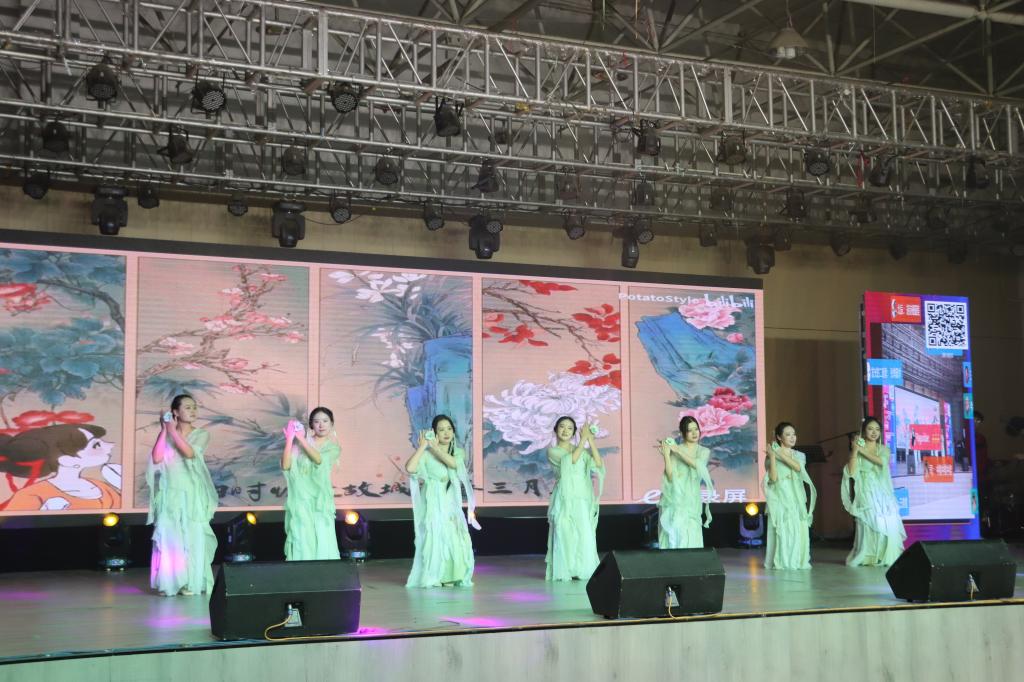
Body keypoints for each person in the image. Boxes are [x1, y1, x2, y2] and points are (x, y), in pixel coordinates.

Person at [147, 394, 218, 596]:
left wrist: (172, 431)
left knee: (192, 537)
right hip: (170, 493)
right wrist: (164, 430)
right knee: (170, 537)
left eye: (194, 407)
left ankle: (190, 582)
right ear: (175, 412)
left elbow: (189, 453)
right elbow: (157, 458)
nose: (193, 411)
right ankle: (171, 581)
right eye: (187, 407)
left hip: (191, 494)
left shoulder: (201, 434)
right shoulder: (167, 433)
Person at [405, 414, 480, 587]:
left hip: (450, 502)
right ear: (434, 433)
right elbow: (410, 468)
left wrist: (434, 447)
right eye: (441, 430)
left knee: (454, 536)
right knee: (436, 536)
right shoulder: (427, 454)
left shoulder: (458, 452)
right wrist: (422, 447)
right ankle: (437, 576)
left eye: (449, 429)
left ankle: (452, 575)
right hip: (433, 503)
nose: (446, 433)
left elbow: (454, 464)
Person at [0, 424, 121, 511]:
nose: (110, 445)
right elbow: (12, 528)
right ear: (67, 460)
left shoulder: (101, 487)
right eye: (96, 445)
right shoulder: (32, 495)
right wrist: (45, 512)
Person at [545, 417, 605, 581]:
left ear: (573, 433)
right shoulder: (553, 451)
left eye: (570, 428)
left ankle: (582, 569)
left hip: (581, 496)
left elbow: (598, 464)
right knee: (564, 531)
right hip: (564, 496)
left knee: (583, 532)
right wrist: (583, 440)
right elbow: (570, 461)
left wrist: (590, 440)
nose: (565, 430)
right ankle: (566, 570)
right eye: (562, 427)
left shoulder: (580, 449)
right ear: (556, 429)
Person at [841, 416, 906, 567]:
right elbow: (851, 471)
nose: (874, 432)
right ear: (863, 431)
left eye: (877, 429)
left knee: (887, 522)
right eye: (870, 429)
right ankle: (868, 556)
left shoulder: (883, 449)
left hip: (881, 491)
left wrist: (861, 450)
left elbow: (881, 462)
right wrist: (855, 451)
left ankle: (883, 555)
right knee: (869, 521)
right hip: (865, 490)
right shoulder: (858, 448)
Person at [282, 407, 341, 561]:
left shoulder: (333, 448)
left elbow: (318, 459)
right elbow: (286, 466)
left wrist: (301, 439)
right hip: (301, 499)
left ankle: (324, 573)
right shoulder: (299, 445)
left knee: (323, 535)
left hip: (320, 500)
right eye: (316, 421)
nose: (321, 425)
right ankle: (301, 572)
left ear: (331, 423)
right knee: (302, 536)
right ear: (311, 425)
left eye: (325, 421)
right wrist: (290, 439)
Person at [763, 422, 817, 570]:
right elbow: (773, 478)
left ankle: (798, 560)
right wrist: (772, 456)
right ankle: (783, 561)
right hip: (780, 496)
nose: (792, 437)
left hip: (796, 496)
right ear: (779, 437)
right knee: (784, 528)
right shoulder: (770, 455)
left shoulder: (799, 455)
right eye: (788, 434)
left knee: (797, 528)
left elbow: (798, 468)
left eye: (794, 434)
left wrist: (779, 453)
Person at [657, 416, 715, 549]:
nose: (694, 433)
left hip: (692, 499)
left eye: (696, 429)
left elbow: (698, 465)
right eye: (689, 430)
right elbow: (670, 477)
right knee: (676, 534)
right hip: (675, 499)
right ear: (683, 433)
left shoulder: (704, 451)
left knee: (691, 531)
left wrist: (677, 450)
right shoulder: (675, 449)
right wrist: (666, 455)